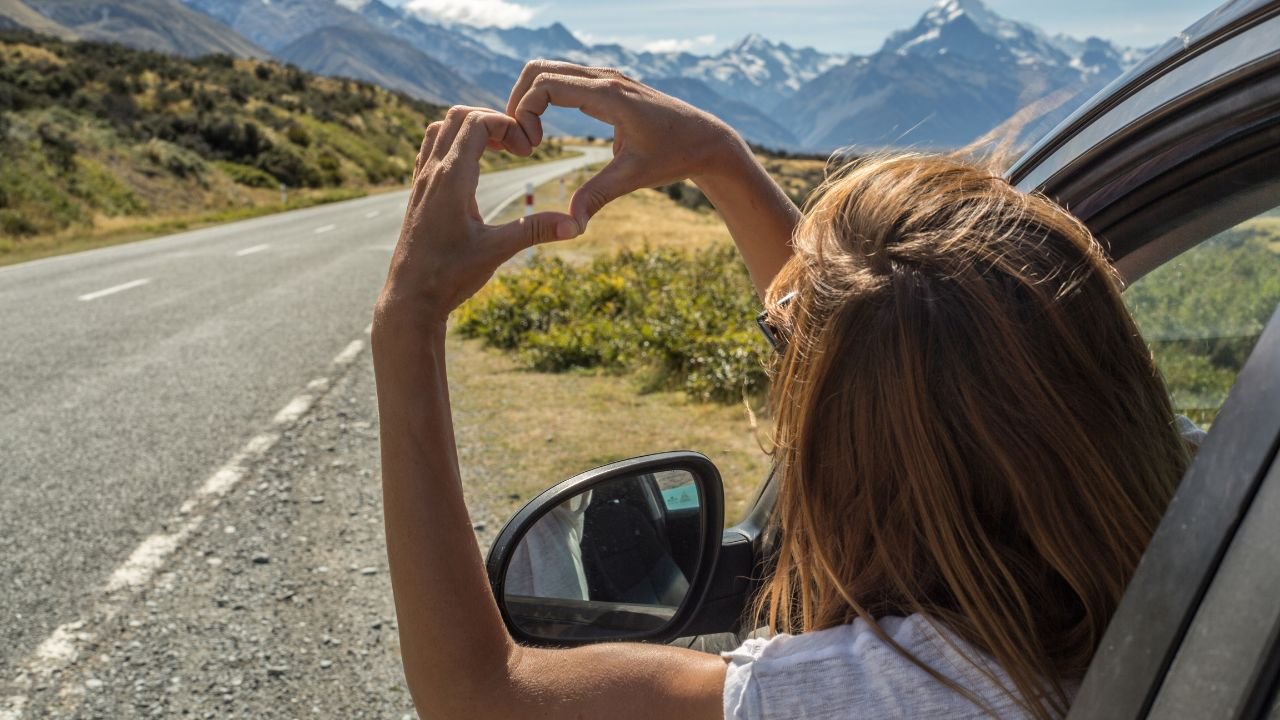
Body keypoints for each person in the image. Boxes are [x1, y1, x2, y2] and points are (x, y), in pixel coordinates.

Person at [370, 61, 1192, 719]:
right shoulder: (1205, 527)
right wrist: (719, 160)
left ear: (860, 471)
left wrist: (407, 319)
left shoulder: (890, 690)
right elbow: (880, 365)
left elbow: (480, 694)